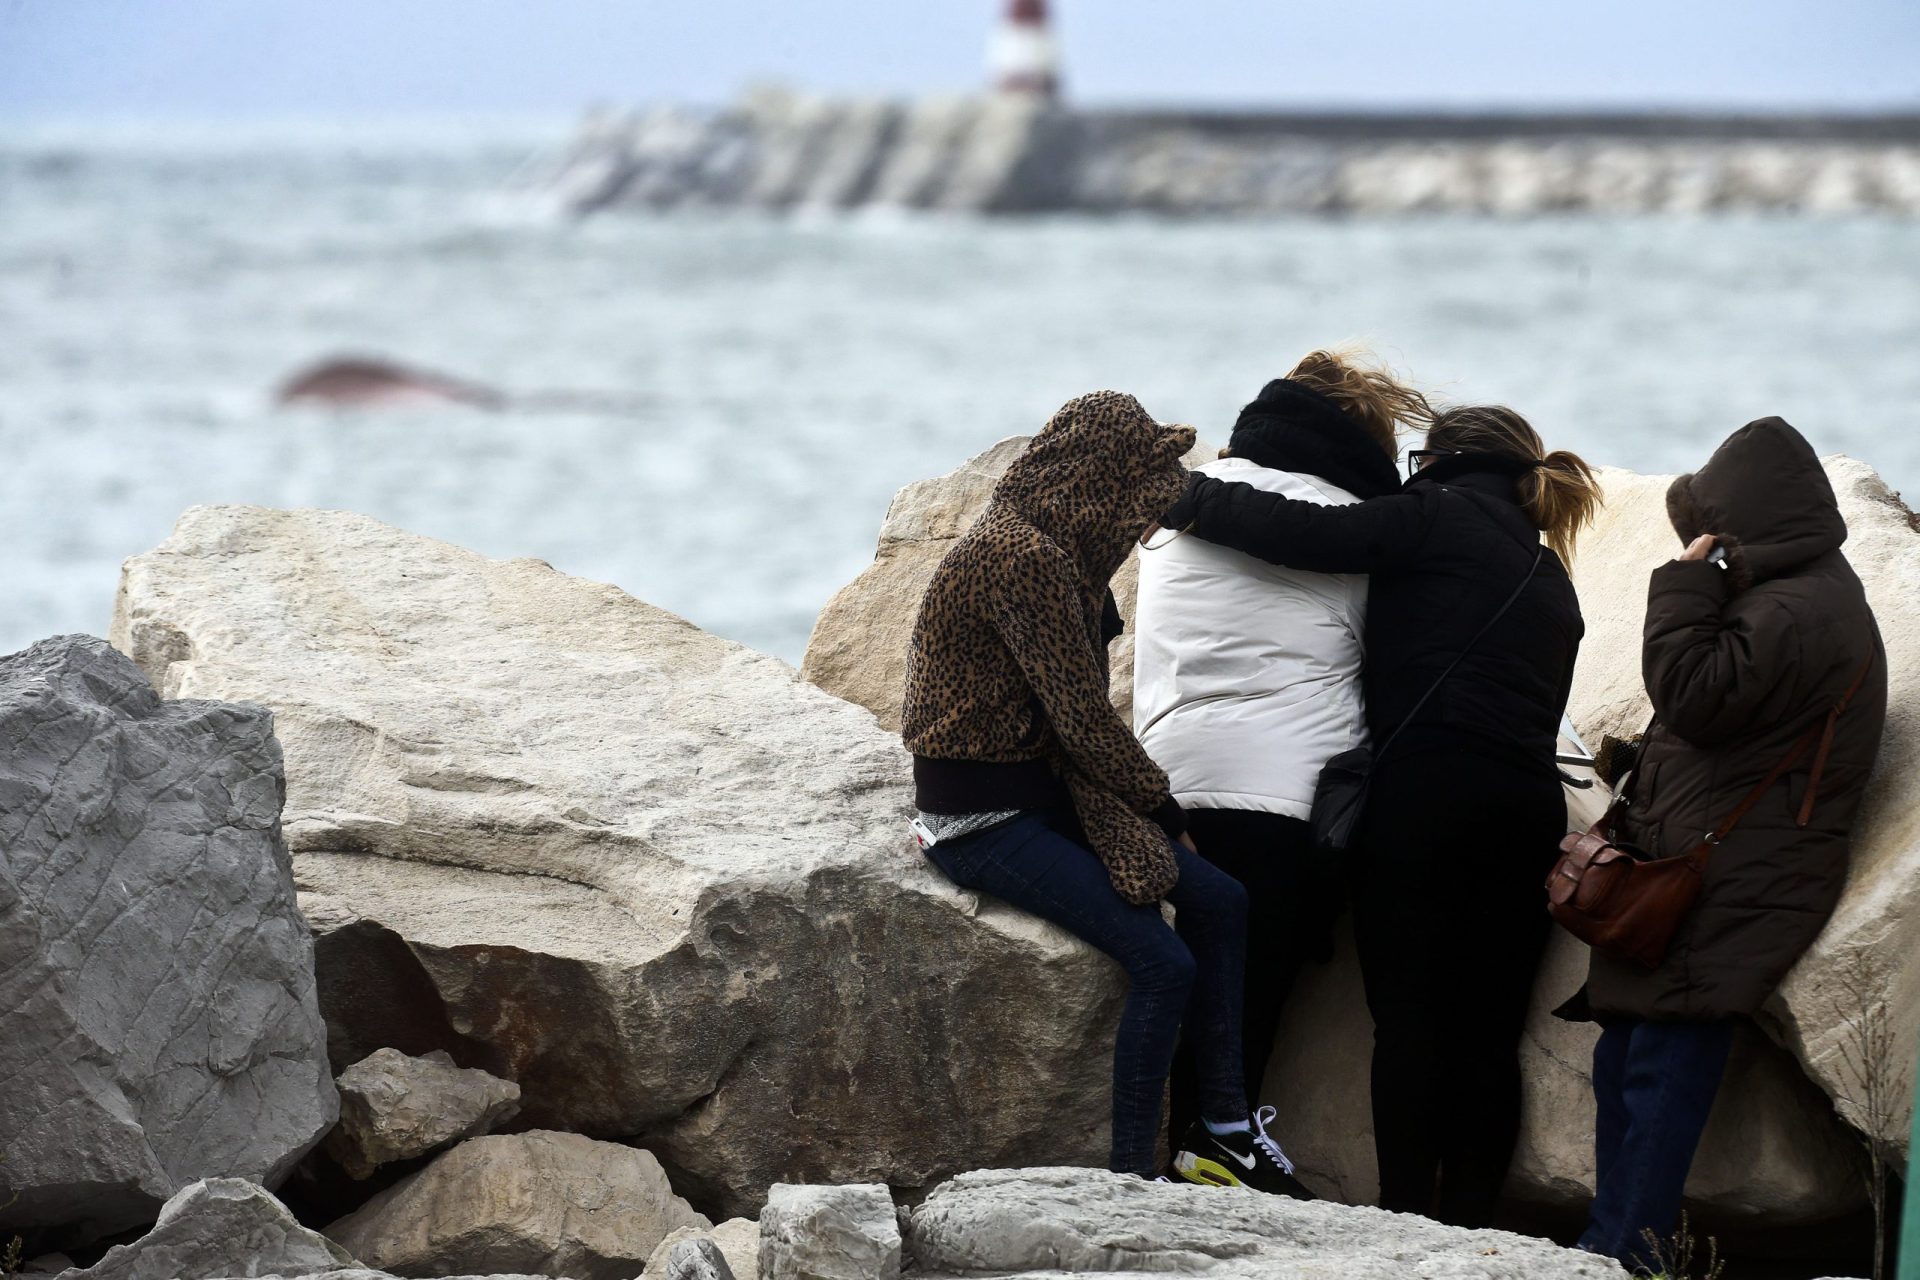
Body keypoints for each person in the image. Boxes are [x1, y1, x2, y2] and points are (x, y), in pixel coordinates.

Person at [1160, 404, 1601, 1226]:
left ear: (1438, 461)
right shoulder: (1550, 576)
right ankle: (1473, 1230)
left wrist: (1178, 495)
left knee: (1409, 1022)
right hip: (1526, 809)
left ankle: (1405, 1220)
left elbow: (1305, 534)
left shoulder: (1434, 514)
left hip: (1424, 793)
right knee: (1488, 1032)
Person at [900, 389, 1309, 1195]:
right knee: (1163, 963)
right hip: (982, 817)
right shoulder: (1022, 558)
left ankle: (1224, 1133)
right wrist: (1162, 812)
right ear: (1094, 488)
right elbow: (1085, 721)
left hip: (1045, 794)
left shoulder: (1059, 552)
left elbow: (1072, 729)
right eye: (1132, 506)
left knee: (1221, 902)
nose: (1138, 527)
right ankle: (1131, 1180)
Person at [1567, 417, 1887, 1266]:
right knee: (1627, 1055)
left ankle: (1632, 1249)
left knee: (1663, 1062)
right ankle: (1617, 1240)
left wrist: (1680, 588)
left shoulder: (1798, 607)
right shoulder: (1793, 596)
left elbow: (1696, 694)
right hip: (1706, 863)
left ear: (1746, 520)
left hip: (1737, 875)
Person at [1131, 349, 1430, 1165]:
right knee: (1251, 998)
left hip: (1168, 788)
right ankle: (1219, 1153)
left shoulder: (1178, 518)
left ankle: (1171, 1155)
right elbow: (1389, 672)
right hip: (1283, 801)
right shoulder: (1353, 528)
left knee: (1183, 984)